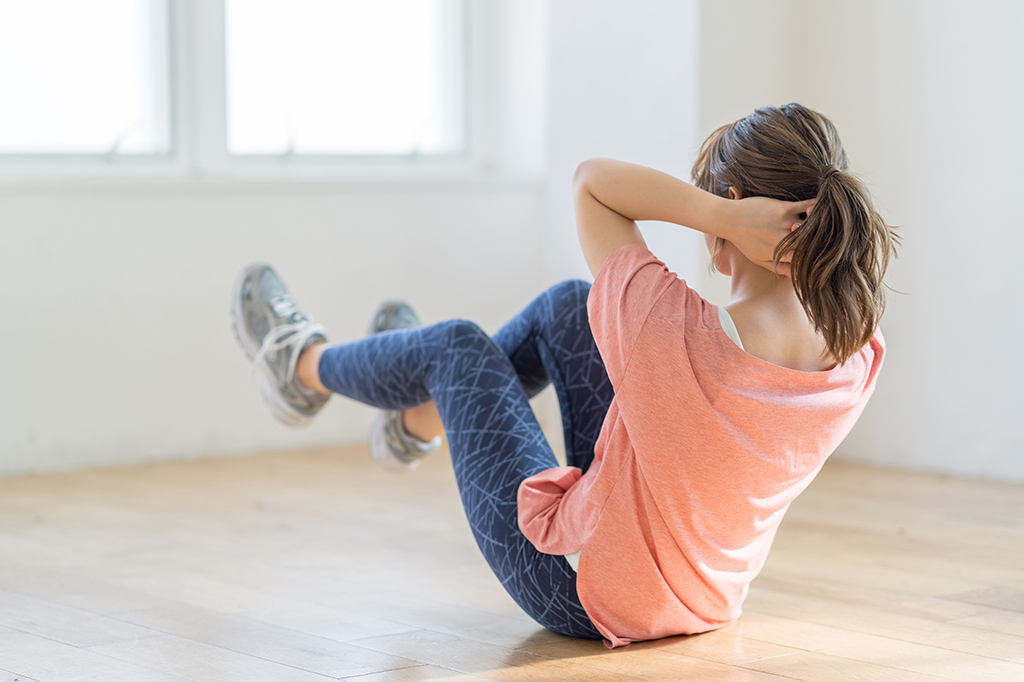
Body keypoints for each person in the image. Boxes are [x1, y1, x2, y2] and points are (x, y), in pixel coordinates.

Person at [232, 103, 897, 647]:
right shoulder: (857, 358)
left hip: (580, 585)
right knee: (568, 308)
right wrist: (729, 212)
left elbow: (592, 182)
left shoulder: (673, 334)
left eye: (713, 208)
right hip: (701, 598)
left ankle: (300, 367)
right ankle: (414, 420)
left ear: (731, 208)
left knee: (457, 349)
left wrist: (718, 215)